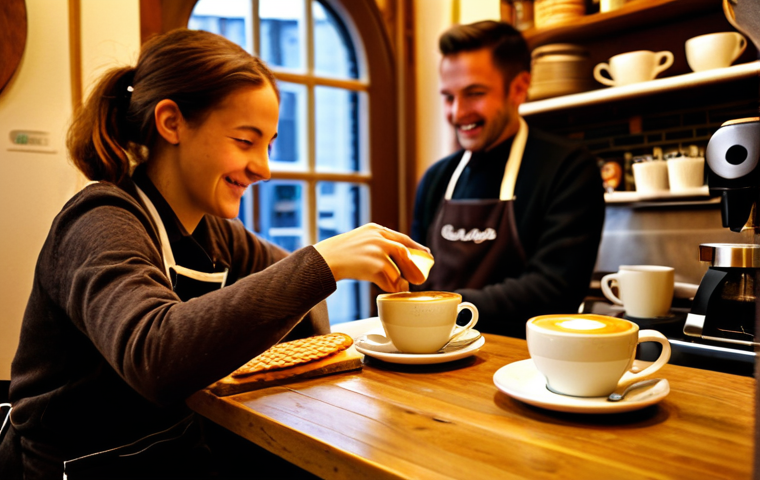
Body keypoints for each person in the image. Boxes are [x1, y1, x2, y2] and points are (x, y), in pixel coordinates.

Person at [0, 29, 427, 479]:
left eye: (269, 143)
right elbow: (155, 356)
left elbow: (299, 297)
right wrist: (323, 261)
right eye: (245, 141)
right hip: (72, 466)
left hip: (168, 452)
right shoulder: (99, 221)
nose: (263, 167)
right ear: (171, 123)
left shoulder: (215, 235)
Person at [411, 21, 605, 338]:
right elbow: (417, 276)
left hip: (525, 363)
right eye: (448, 97)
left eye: (474, 94)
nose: (458, 113)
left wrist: (439, 307)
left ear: (518, 88)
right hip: (433, 353)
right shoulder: (437, 178)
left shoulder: (567, 168)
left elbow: (554, 289)